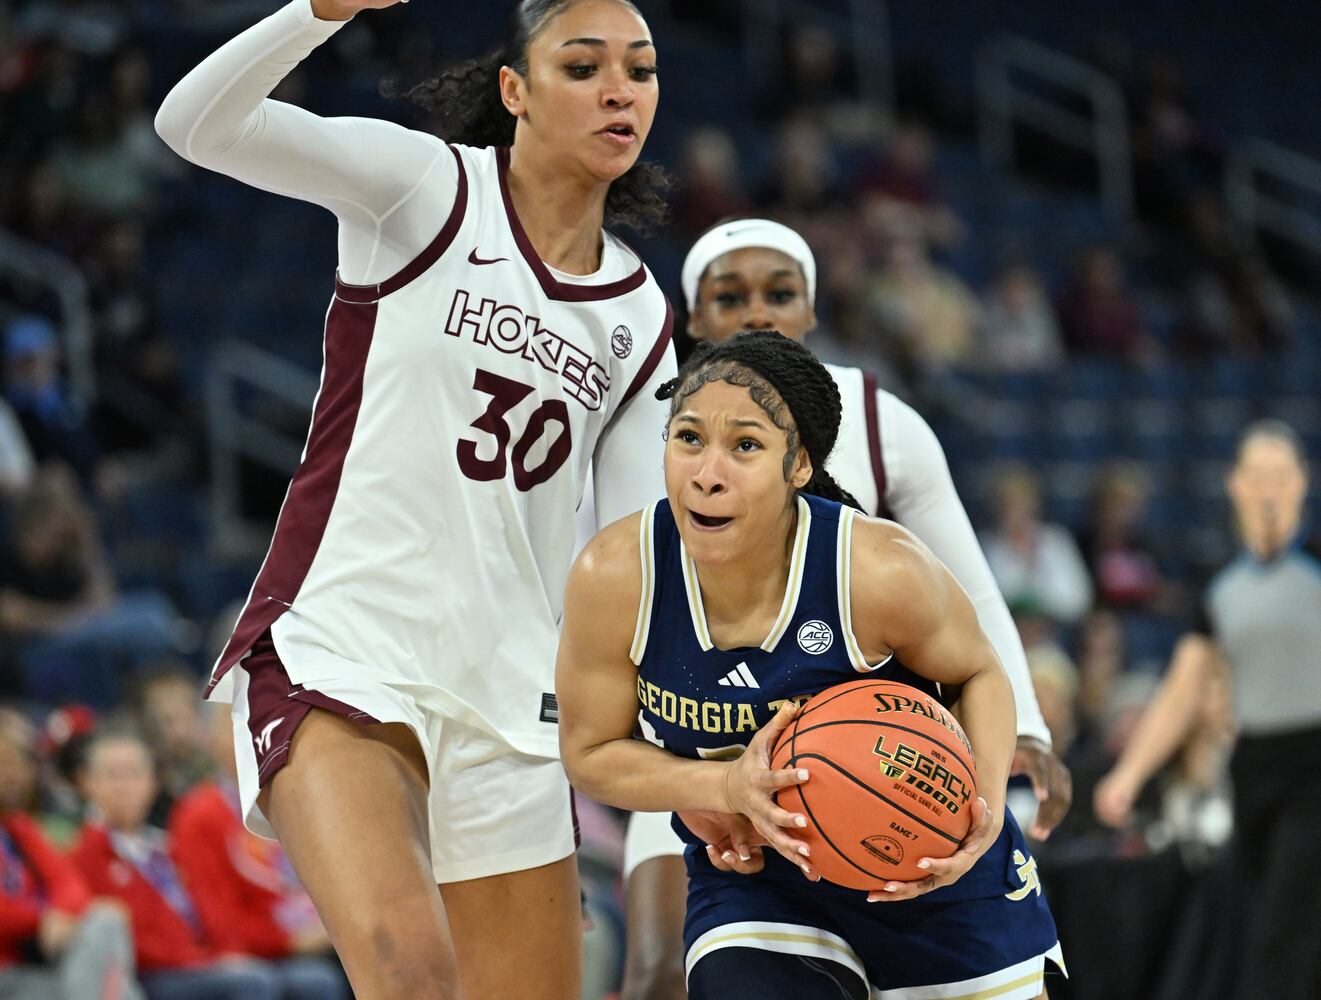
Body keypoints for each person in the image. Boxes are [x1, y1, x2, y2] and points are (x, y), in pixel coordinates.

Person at [153, 0, 675, 994]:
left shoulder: (638, 309)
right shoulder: (428, 190)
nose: (619, 90)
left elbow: (632, 552)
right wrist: (314, 13)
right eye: (583, 66)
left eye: (640, 71)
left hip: (511, 706)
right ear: (515, 90)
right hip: (345, 653)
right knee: (412, 977)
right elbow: (194, 125)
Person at [616, 219, 1072, 999]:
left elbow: (970, 593)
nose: (756, 313)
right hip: (704, 768)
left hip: (864, 760)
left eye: (778, 294)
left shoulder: (880, 421)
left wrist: (1024, 725)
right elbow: (594, 619)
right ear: (692, 319)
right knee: (662, 976)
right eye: (730, 296)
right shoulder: (644, 431)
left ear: (811, 310)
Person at [1094, 419, 1321, 1000]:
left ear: (1302, 483)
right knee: (1253, 923)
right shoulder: (1219, 585)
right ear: (1234, 484)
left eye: (1281, 475)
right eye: (1257, 475)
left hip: (1315, 766)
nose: (1269, 489)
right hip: (1253, 764)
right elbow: (1184, 687)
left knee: (1287, 930)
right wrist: (1129, 774)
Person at [70, 728, 309, 1000]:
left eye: (135, 774)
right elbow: (130, 940)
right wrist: (206, 960)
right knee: (253, 983)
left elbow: (208, 910)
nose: (125, 786)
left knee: (304, 979)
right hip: (152, 973)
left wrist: (228, 952)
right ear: (87, 783)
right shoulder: (85, 855)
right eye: (113, 775)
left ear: (153, 784)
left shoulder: (163, 848)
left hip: (198, 961)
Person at [0, 725, 145, 1000]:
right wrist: (41, 919)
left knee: (106, 920)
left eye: (19, 765)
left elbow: (69, 883)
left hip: (33, 962)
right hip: (8, 969)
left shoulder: (18, 828)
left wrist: (60, 914)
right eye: (4, 765)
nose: (13, 776)